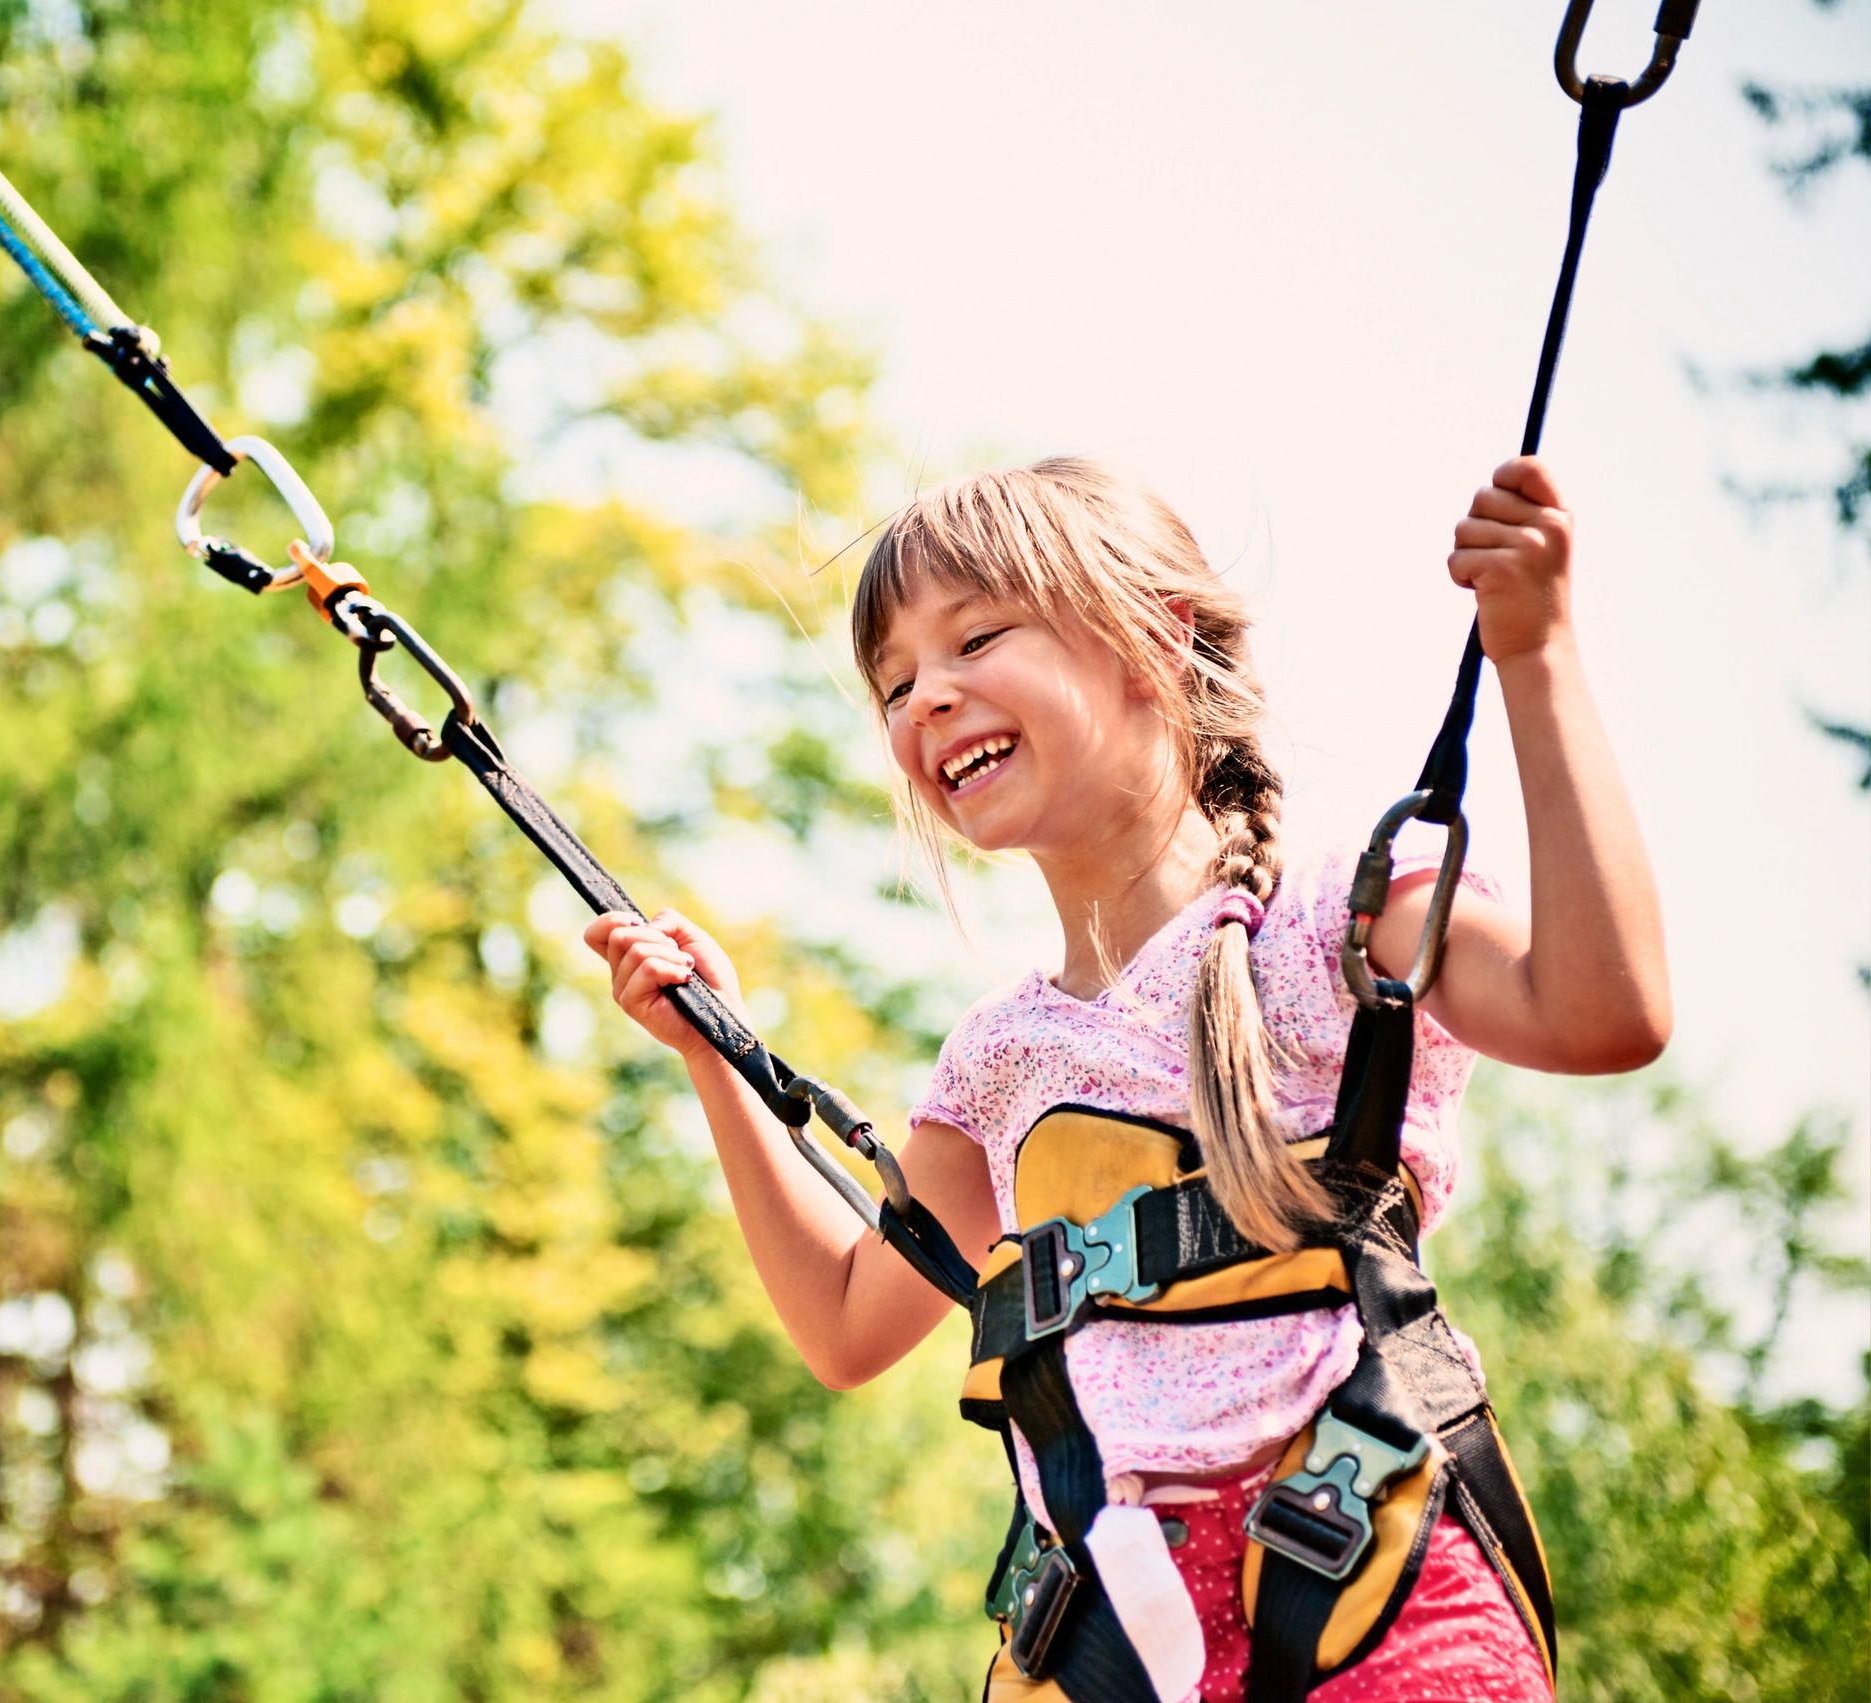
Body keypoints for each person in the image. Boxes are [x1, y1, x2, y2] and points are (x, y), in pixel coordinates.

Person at [582, 456, 1668, 1701]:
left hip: (1372, 1589)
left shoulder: (1333, 921)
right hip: (1113, 1644)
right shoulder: (1002, 1057)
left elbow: (1605, 1010)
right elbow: (844, 1322)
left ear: (1152, 640)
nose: (926, 696)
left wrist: (1533, 654)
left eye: (974, 638)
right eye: (894, 682)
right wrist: (716, 1057)